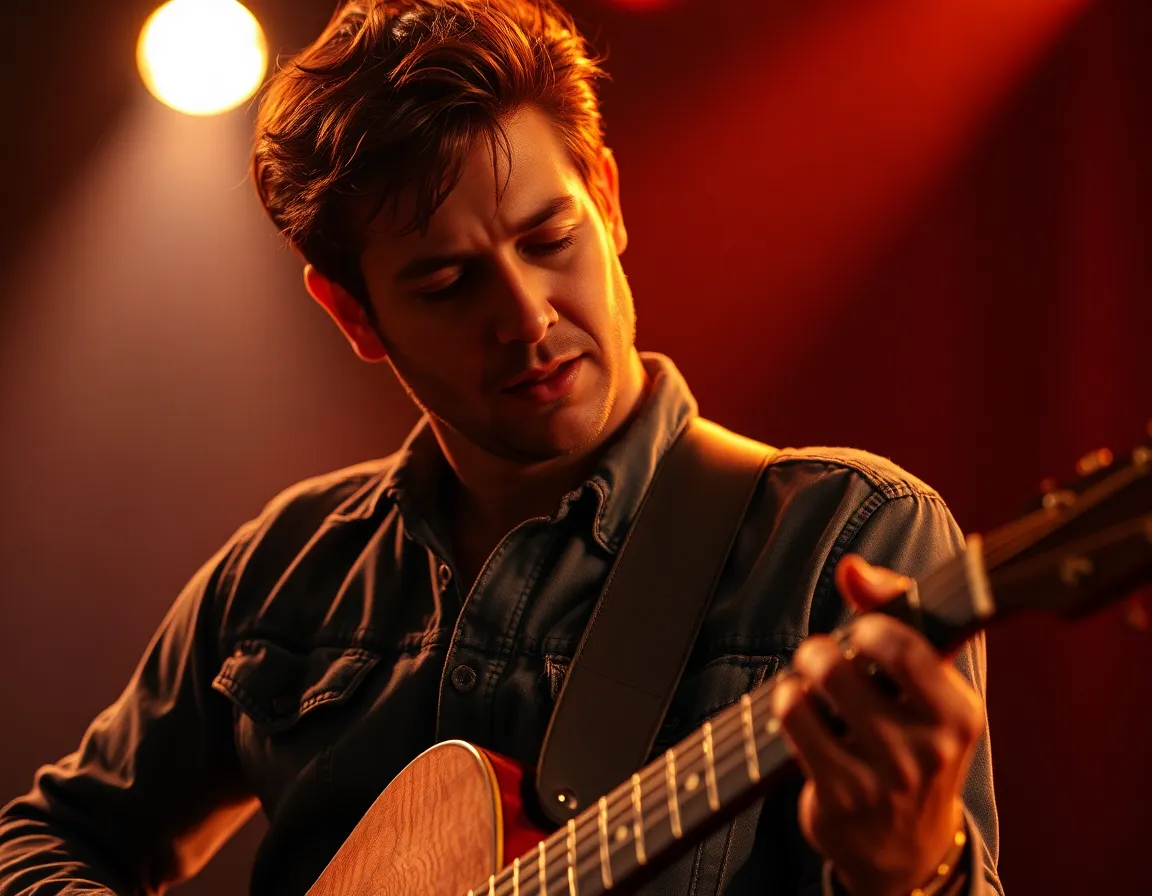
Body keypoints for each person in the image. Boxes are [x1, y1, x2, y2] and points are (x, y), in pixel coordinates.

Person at [0, 1, 1002, 893]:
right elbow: (46, 841)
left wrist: (915, 869)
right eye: (447, 283)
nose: (525, 316)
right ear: (353, 313)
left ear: (606, 199)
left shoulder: (850, 537)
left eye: (549, 238)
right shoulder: (284, 569)